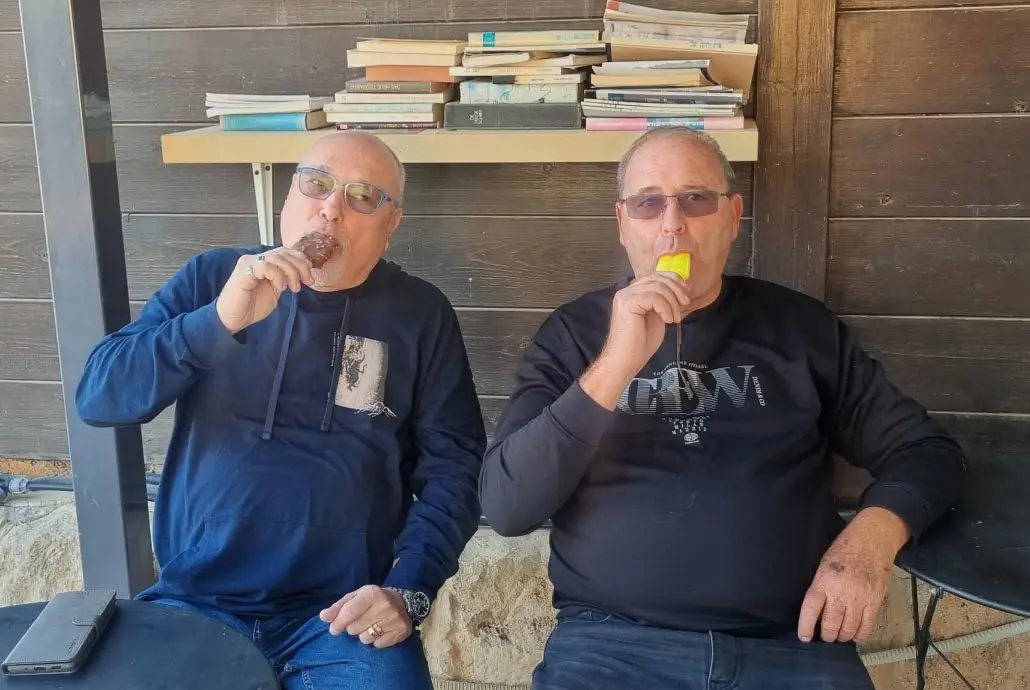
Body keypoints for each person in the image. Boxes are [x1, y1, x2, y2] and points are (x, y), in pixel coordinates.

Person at [479, 127, 967, 689]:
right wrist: (617, 361)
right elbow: (507, 506)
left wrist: (871, 539)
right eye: (648, 203)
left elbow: (927, 452)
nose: (672, 224)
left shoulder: (799, 328)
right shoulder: (572, 335)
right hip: (612, 645)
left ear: (733, 217)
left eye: (695, 199)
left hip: (789, 647)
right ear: (623, 223)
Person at [75, 132, 486, 689]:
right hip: (196, 602)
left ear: (391, 225)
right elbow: (99, 397)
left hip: (343, 618)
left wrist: (408, 588)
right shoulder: (215, 278)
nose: (331, 209)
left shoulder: (420, 314)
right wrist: (218, 321)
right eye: (316, 184)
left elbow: (455, 469)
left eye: (363, 196)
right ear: (288, 197)